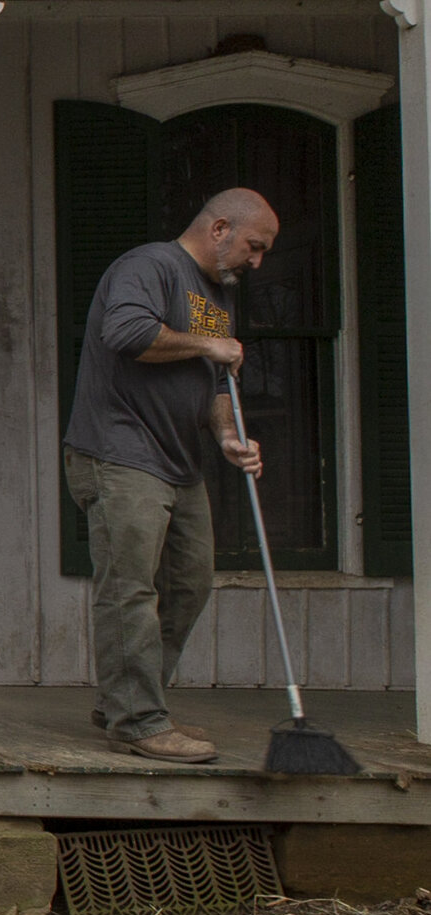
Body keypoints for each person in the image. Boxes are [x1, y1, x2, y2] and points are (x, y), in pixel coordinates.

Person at [63, 188, 275, 764]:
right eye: (254, 247)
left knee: (191, 581)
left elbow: (208, 386)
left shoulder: (215, 297)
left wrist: (228, 436)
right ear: (221, 228)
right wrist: (212, 342)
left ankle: (124, 700)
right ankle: (139, 721)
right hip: (121, 453)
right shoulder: (150, 266)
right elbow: (126, 334)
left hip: (181, 461)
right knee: (130, 588)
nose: (257, 262)